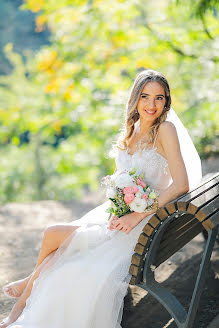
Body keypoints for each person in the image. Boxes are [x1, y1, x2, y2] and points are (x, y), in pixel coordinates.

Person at [0, 69, 202, 328]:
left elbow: (181, 184)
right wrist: (118, 196)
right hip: (119, 214)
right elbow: (123, 176)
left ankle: (22, 297)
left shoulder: (165, 129)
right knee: (56, 248)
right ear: (135, 99)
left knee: (55, 239)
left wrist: (137, 214)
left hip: (143, 221)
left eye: (159, 98)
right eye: (145, 97)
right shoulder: (133, 130)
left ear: (166, 101)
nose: (151, 105)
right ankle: (19, 308)